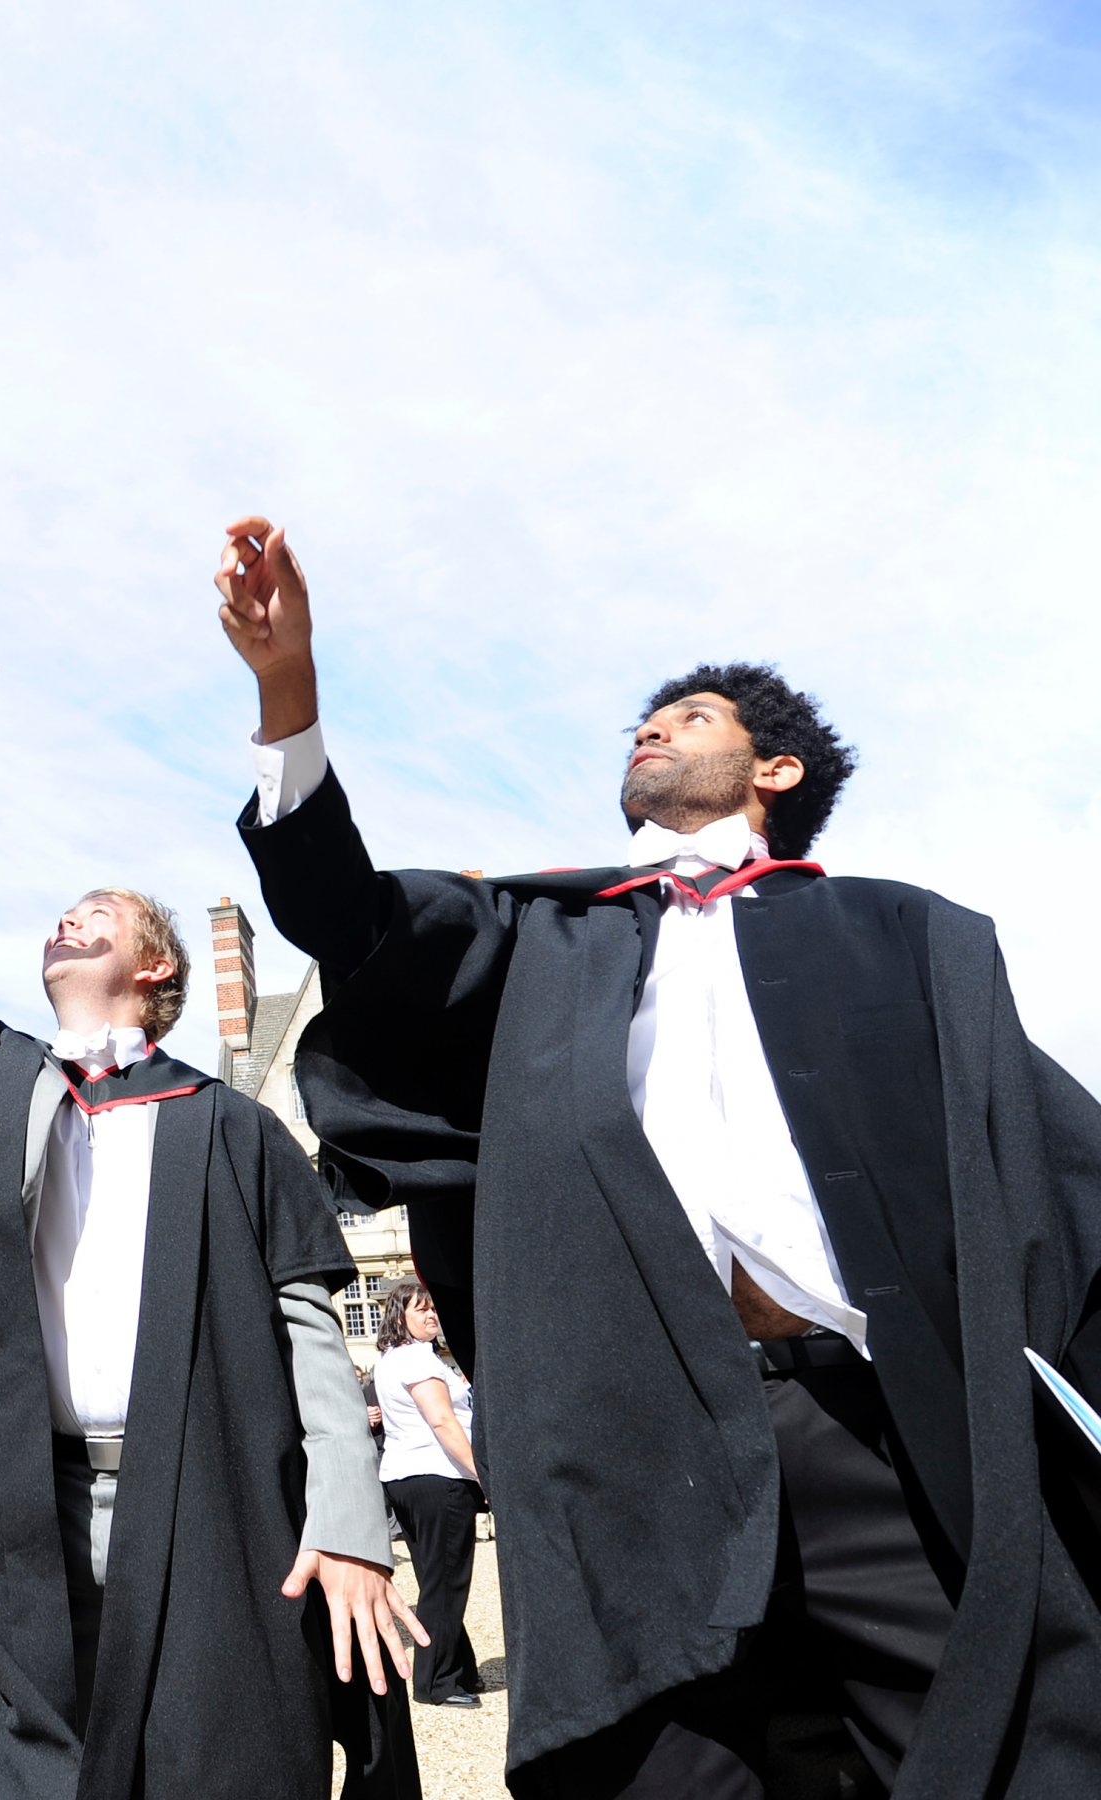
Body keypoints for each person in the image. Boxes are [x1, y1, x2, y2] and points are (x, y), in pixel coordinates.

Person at [218, 514, 1101, 1796]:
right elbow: (343, 912)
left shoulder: (900, 938)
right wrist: (285, 695)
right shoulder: (537, 938)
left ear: (776, 770)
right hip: (630, 1444)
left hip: (877, 1432)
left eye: (688, 718)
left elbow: (1059, 1174)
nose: (650, 731)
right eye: (644, 722)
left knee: (985, 1753)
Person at [0, 628, 424, 1798]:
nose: (67, 922)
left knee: (212, 1761)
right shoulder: (0, 1077)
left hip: (201, 1498)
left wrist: (348, 1517)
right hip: (14, 1505)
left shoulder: (227, 1124)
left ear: (157, 971)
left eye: (101, 916)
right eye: (62, 915)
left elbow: (310, 1341)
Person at [371, 1281, 482, 1710]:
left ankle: (459, 1666)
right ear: (401, 1316)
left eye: (435, 1308)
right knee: (446, 1580)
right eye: (422, 1309)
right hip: (438, 1477)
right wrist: (482, 1475)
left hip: (405, 1476)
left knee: (436, 1576)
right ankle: (436, 1681)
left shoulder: (390, 1360)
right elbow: (442, 1422)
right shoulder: (418, 1359)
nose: (432, 1315)